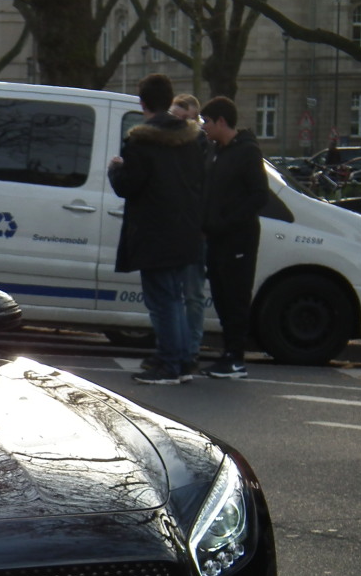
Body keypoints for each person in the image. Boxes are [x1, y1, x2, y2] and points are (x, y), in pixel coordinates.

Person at [108, 73, 205, 385]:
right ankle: (181, 359)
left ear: (143, 102)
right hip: (185, 229)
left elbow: (128, 186)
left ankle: (168, 362)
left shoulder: (142, 141)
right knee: (174, 297)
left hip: (154, 231)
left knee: (162, 300)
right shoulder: (191, 139)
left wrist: (115, 170)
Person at [198, 96, 269, 379]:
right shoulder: (216, 151)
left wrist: (227, 222)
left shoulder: (247, 152)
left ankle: (236, 358)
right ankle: (228, 353)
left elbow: (258, 196)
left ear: (222, 122)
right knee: (221, 296)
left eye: (208, 122)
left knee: (236, 296)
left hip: (238, 239)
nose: (205, 127)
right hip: (216, 238)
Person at [169, 92, 210, 378]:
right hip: (172, 229)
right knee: (172, 295)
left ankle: (190, 351)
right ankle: (176, 349)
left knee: (192, 295)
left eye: (187, 118)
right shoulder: (164, 144)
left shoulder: (203, 148)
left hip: (194, 231)